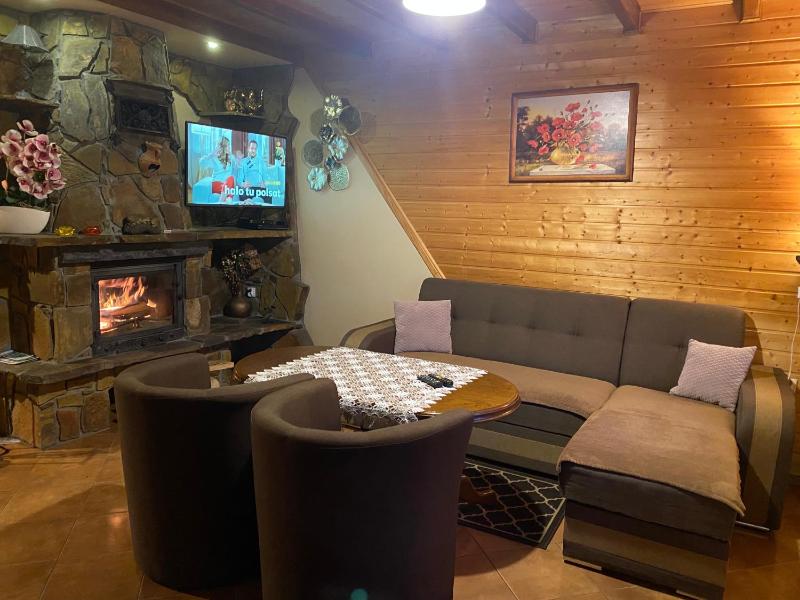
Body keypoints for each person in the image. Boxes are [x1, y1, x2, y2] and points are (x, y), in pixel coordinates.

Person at [197, 135, 235, 202]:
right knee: (230, 182)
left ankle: (227, 199)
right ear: (223, 147)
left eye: (230, 145)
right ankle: (222, 201)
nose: (229, 147)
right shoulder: (214, 158)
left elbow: (237, 167)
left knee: (231, 179)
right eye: (228, 145)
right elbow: (201, 163)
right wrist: (210, 155)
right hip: (217, 184)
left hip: (228, 185)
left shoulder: (231, 157)